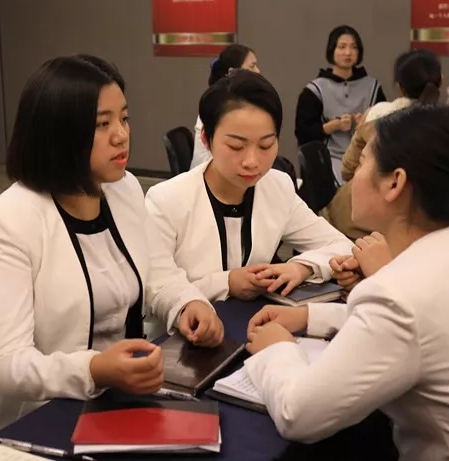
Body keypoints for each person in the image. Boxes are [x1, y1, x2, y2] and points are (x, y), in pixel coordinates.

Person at [244, 104, 449, 460]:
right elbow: (428, 328)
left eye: (363, 162)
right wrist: (311, 317)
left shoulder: (402, 293)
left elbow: (298, 416)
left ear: (394, 183)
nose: (353, 176)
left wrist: (277, 348)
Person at [0, 55, 225, 436]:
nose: (121, 135)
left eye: (124, 118)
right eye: (102, 124)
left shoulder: (124, 189)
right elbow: (3, 364)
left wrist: (188, 303)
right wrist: (93, 369)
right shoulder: (9, 222)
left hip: (117, 398)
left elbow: (157, 272)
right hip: (35, 417)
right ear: (58, 133)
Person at [145, 70, 352, 302]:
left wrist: (302, 267)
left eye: (265, 145)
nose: (252, 162)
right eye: (236, 146)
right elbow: (154, 289)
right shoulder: (167, 200)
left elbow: (341, 245)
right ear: (206, 139)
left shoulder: (277, 187)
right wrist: (225, 283)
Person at [321, 49, 443, 238]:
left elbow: (347, 170)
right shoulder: (448, 127)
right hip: (414, 228)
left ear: (400, 87)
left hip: (351, 224)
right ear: (440, 80)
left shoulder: (376, 115)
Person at [295, 25, 386, 184]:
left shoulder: (373, 87)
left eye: (353, 47)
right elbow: (303, 133)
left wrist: (365, 123)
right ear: (331, 51)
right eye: (342, 47)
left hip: (366, 157)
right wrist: (332, 126)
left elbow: (386, 126)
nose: (348, 52)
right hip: (329, 158)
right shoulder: (315, 89)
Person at [191, 44, 260, 169]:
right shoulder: (220, 103)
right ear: (232, 71)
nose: (258, 71)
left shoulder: (239, 99)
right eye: (252, 66)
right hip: (211, 170)